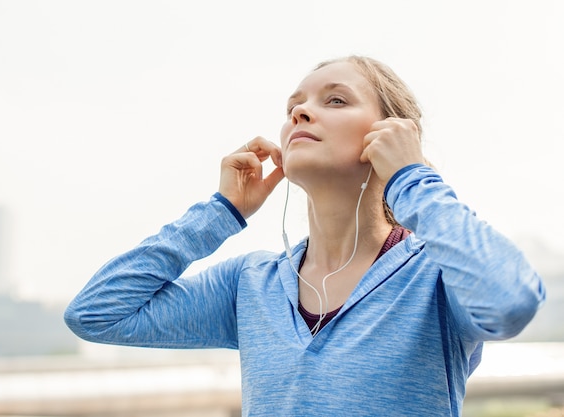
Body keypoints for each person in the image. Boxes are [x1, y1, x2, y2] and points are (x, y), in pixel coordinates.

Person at [64, 55, 545, 416]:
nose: (300, 113)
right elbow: (96, 314)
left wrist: (412, 177)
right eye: (293, 106)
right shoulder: (249, 284)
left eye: (334, 100)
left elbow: (510, 300)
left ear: (393, 133)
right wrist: (221, 212)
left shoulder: (435, 275)